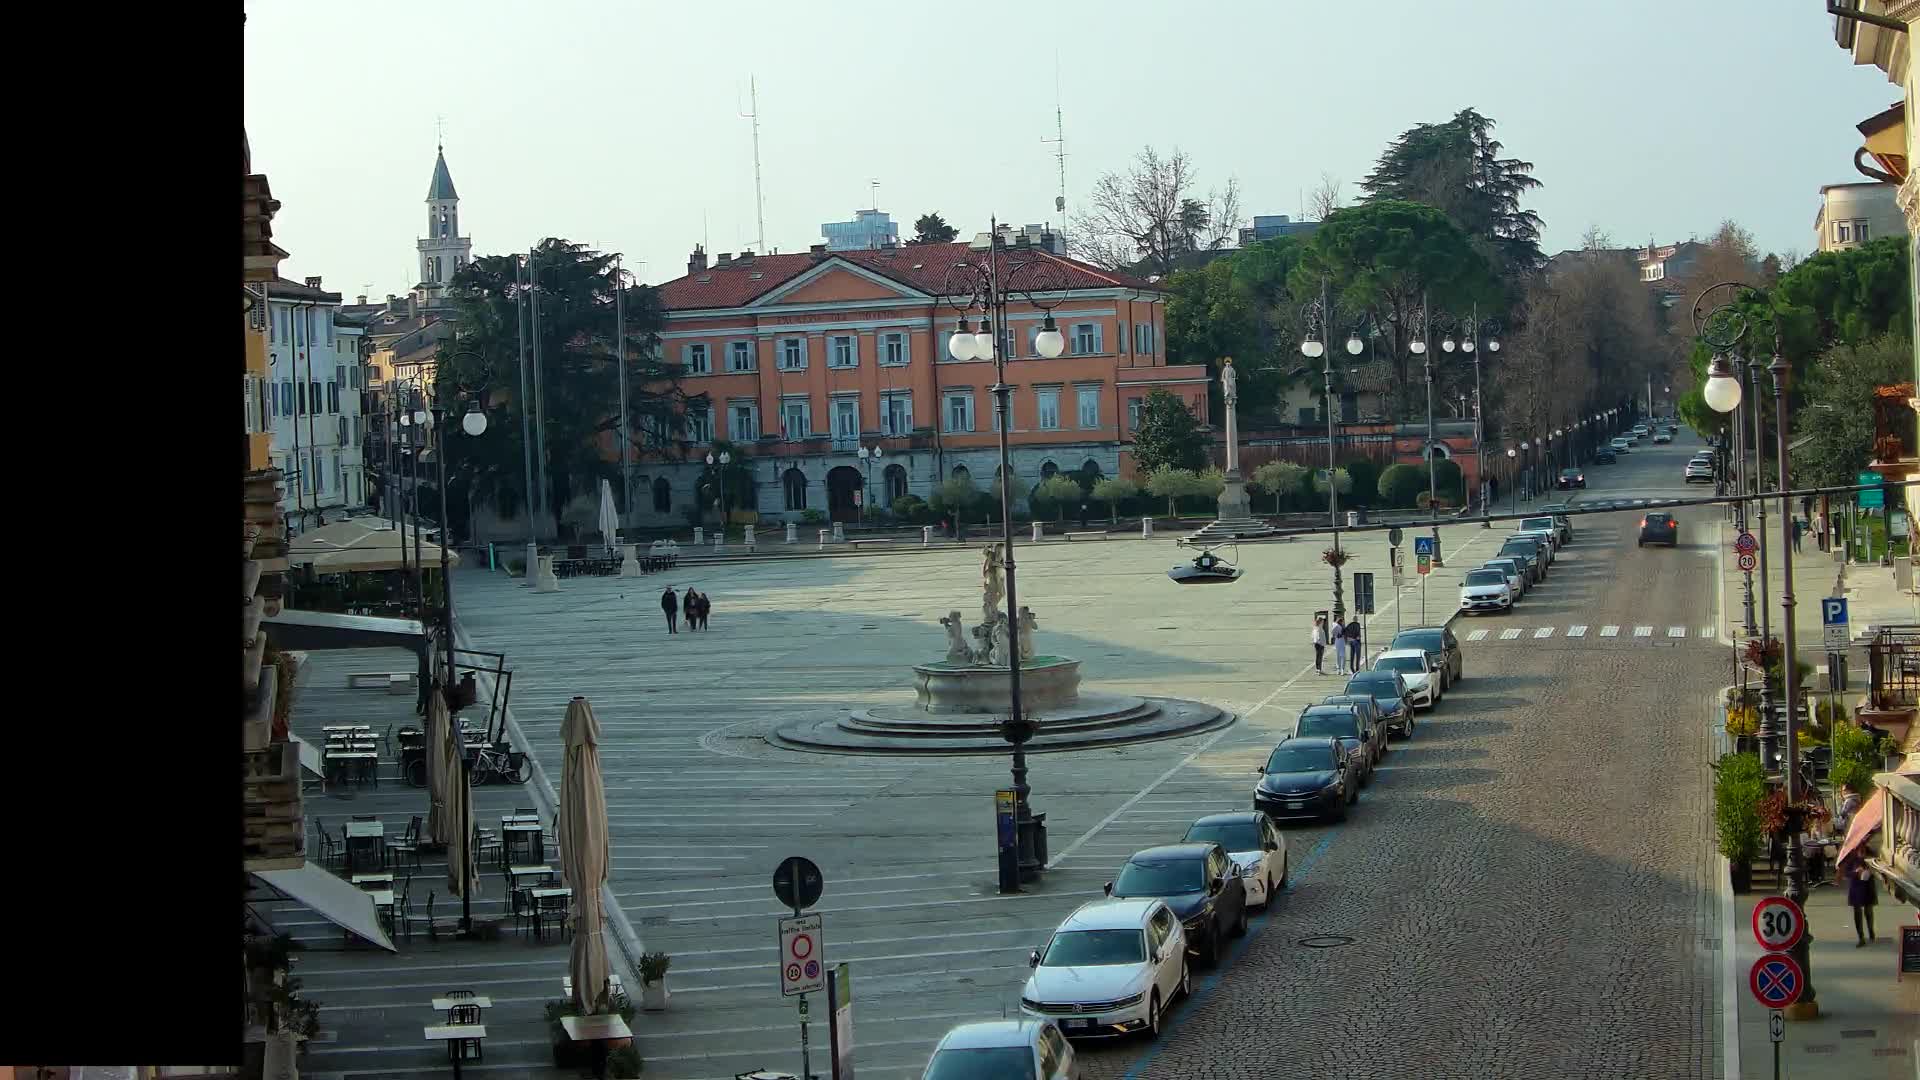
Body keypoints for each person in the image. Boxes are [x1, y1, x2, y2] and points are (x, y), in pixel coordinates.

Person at [1843, 857, 1877, 945]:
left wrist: (1870, 870)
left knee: (1868, 910)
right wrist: (1856, 873)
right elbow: (1846, 873)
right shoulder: (1850, 857)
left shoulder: (1870, 853)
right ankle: (1861, 937)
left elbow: (1877, 867)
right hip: (1856, 887)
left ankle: (1871, 931)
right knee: (1857, 912)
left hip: (1868, 886)